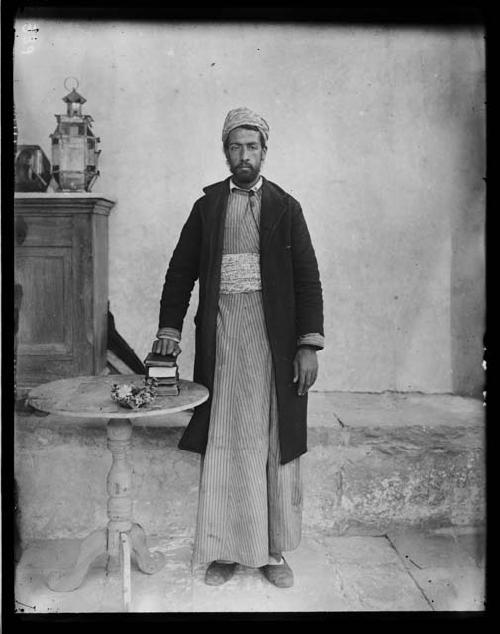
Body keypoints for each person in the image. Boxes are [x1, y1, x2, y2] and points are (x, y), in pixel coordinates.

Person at [152, 107, 324, 588]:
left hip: (273, 343)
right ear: (224, 151)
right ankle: (225, 549)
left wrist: (308, 345)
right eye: (235, 146)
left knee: (270, 442)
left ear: (264, 152)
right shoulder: (207, 206)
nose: (243, 155)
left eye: (252, 147)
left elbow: (308, 281)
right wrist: (170, 327)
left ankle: (271, 552)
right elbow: (180, 272)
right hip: (224, 337)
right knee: (225, 441)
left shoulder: (286, 208)